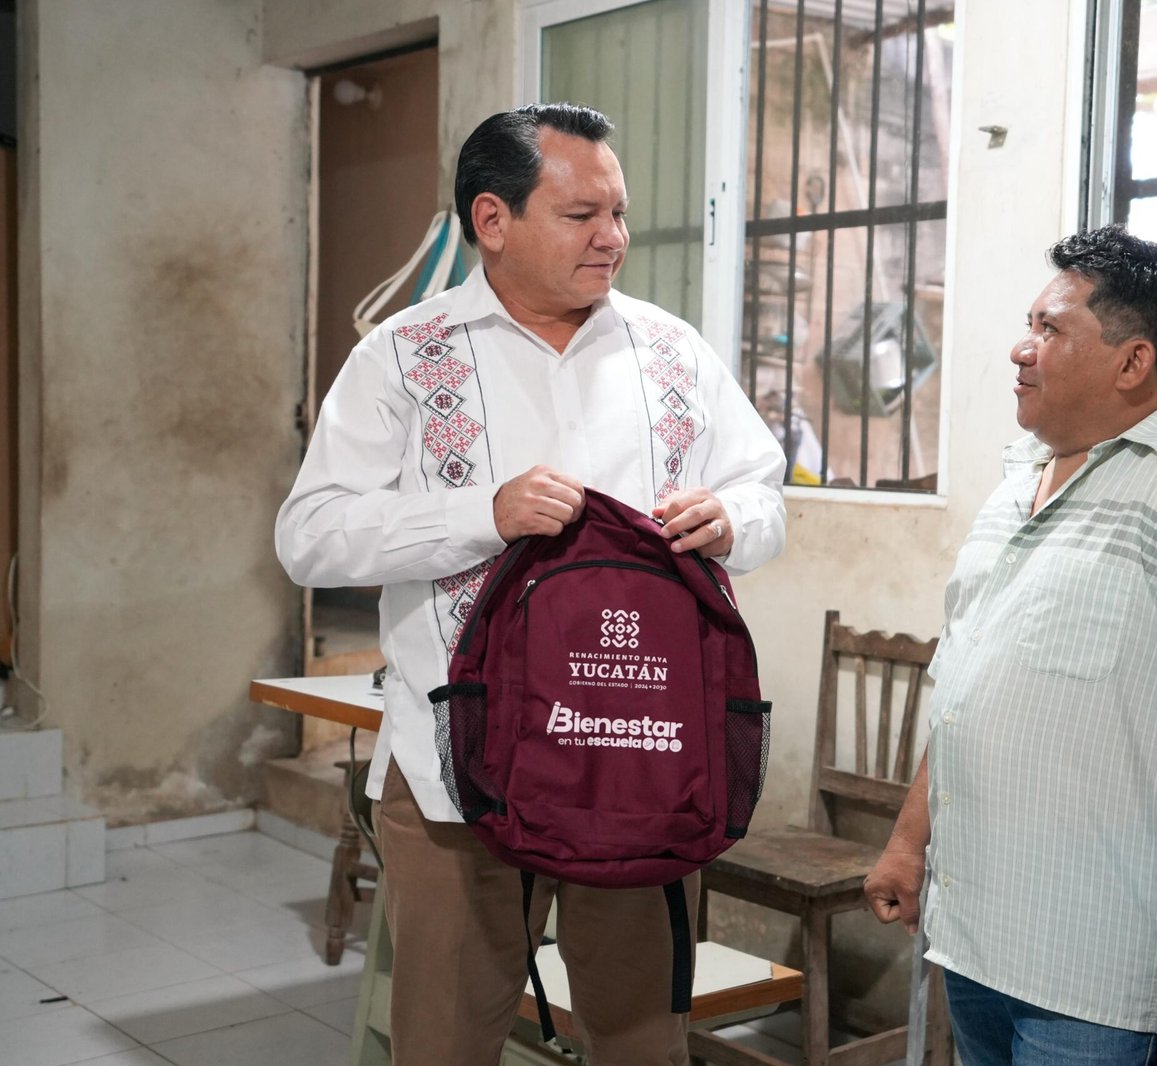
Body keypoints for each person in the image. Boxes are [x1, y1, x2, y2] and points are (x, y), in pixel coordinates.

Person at [275, 103, 786, 1066]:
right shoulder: (403, 359)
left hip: (637, 765)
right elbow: (309, 537)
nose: (613, 238)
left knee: (642, 1041)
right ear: (493, 220)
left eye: (619, 213)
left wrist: (733, 519)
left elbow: (764, 493)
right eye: (581, 215)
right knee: (445, 1041)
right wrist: (483, 513)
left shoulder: (672, 352)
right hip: (458, 778)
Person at [863, 226, 1157, 1064]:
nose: (1022, 349)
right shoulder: (1017, 483)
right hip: (973, 936)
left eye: (1050, 329)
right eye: (1029, 325)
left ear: (1132, 362)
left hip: (1097, 971)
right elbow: (964, 679)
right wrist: (908, 842)